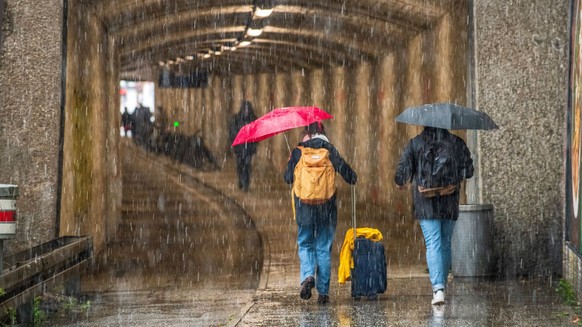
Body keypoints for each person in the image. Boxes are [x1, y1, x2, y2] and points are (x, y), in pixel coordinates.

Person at [394, 126, 474, 306]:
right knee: (445, 242)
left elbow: (401, 174)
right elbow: (468, 171)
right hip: (449, 200)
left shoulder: (415, 143)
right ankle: (442, 286)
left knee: (433, 243)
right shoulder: (456, 142)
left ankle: (438, 289)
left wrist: (402, 181)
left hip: (425, 201)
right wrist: (452, 176)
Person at [284, 121, 357, 304]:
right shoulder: (329, 150)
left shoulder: (298, 152)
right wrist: (352, 176)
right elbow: (349, 175)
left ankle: (308, 276)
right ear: (322, 132)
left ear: (306, 133)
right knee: (323, 248)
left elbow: (287, 179)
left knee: (306, 245)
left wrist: (291, 163)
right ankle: (323, 293)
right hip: (327, 209)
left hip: (304, 209)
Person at [228, 100, 258, 191]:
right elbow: (232, 132)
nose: (246, 111)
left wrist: (253, 144)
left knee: (247, 165)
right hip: (240, 147)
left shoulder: (253, 119)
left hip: (248, 147)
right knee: (240, 165)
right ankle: (241, 180)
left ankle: (246, 183)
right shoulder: (236, 119)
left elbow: (256, 134)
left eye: (247, 109)